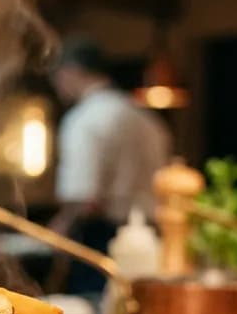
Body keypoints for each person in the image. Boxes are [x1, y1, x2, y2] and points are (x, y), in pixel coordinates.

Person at [48, 38, 170, 293]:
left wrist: (60, 226)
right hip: (153, 237)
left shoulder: (83, 120)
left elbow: (85, 198)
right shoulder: (148, 119)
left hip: (103, 239)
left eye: (58, 76)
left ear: (72, 72)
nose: (57, 86)